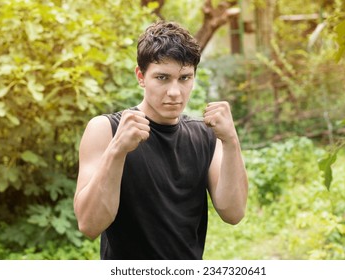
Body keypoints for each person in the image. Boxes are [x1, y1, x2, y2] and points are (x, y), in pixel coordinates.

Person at [73, 21, 248, 260]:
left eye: (185, 78)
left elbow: (234, 212)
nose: (175, 92)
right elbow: (89, 224)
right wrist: (117, 151)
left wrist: (231, 141)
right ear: (141, 76)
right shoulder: (105, 130)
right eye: (163, 77)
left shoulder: (206, 135)